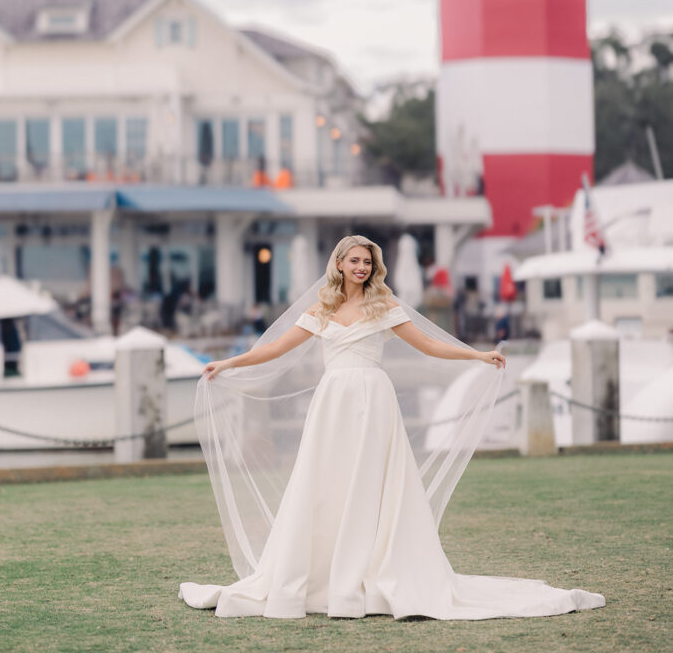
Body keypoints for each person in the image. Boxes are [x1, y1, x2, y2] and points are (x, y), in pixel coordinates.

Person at [179, 235, 605, 621]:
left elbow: (429, 343)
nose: (362, 267)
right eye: (355, 261)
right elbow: (274, 348)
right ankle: (320, 574)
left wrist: (476, 356)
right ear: (340, 264)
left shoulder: (384, 307)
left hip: (373, 401)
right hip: (333, 403)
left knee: (373, 484)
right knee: (325, 485)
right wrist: (229, 362)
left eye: (368, 261)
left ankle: (370, 573)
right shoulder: (320, 310)